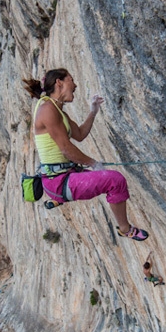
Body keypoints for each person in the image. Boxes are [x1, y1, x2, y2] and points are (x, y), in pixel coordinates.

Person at [23, 69, 148, 241]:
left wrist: (93, 110)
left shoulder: (58, 111)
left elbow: (80, 134)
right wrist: (93, 164)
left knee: (106, 179)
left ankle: (57, 198)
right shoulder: (47, 110)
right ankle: (125, 229)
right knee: (115, 181)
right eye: (71, 80)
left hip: (63, 175)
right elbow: (66, 148)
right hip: (59, 181)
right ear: (59, 83)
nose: (75, 84)